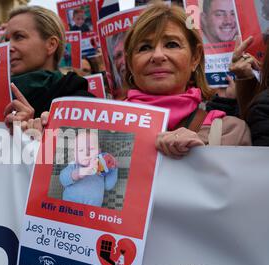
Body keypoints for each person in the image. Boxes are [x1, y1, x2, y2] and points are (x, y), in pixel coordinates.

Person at [26, 2, 251, 157]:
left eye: (172, 44)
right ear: (130, 64)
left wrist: (202, 160)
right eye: (145, 47)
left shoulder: (229, 132)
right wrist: (36, 141)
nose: (158, 56)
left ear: (195, 58)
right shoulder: (92, 128)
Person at [59, 130, 118, 207]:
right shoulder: (74, 165)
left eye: (91, 149)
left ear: (99, 152)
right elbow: (63, 180)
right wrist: (80, 172)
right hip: (70, 207)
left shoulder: (101, 169)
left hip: (91, 211)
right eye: (80, 150)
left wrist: (113, 168)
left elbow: (108, 186)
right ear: (74, 154)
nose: (86, 153)